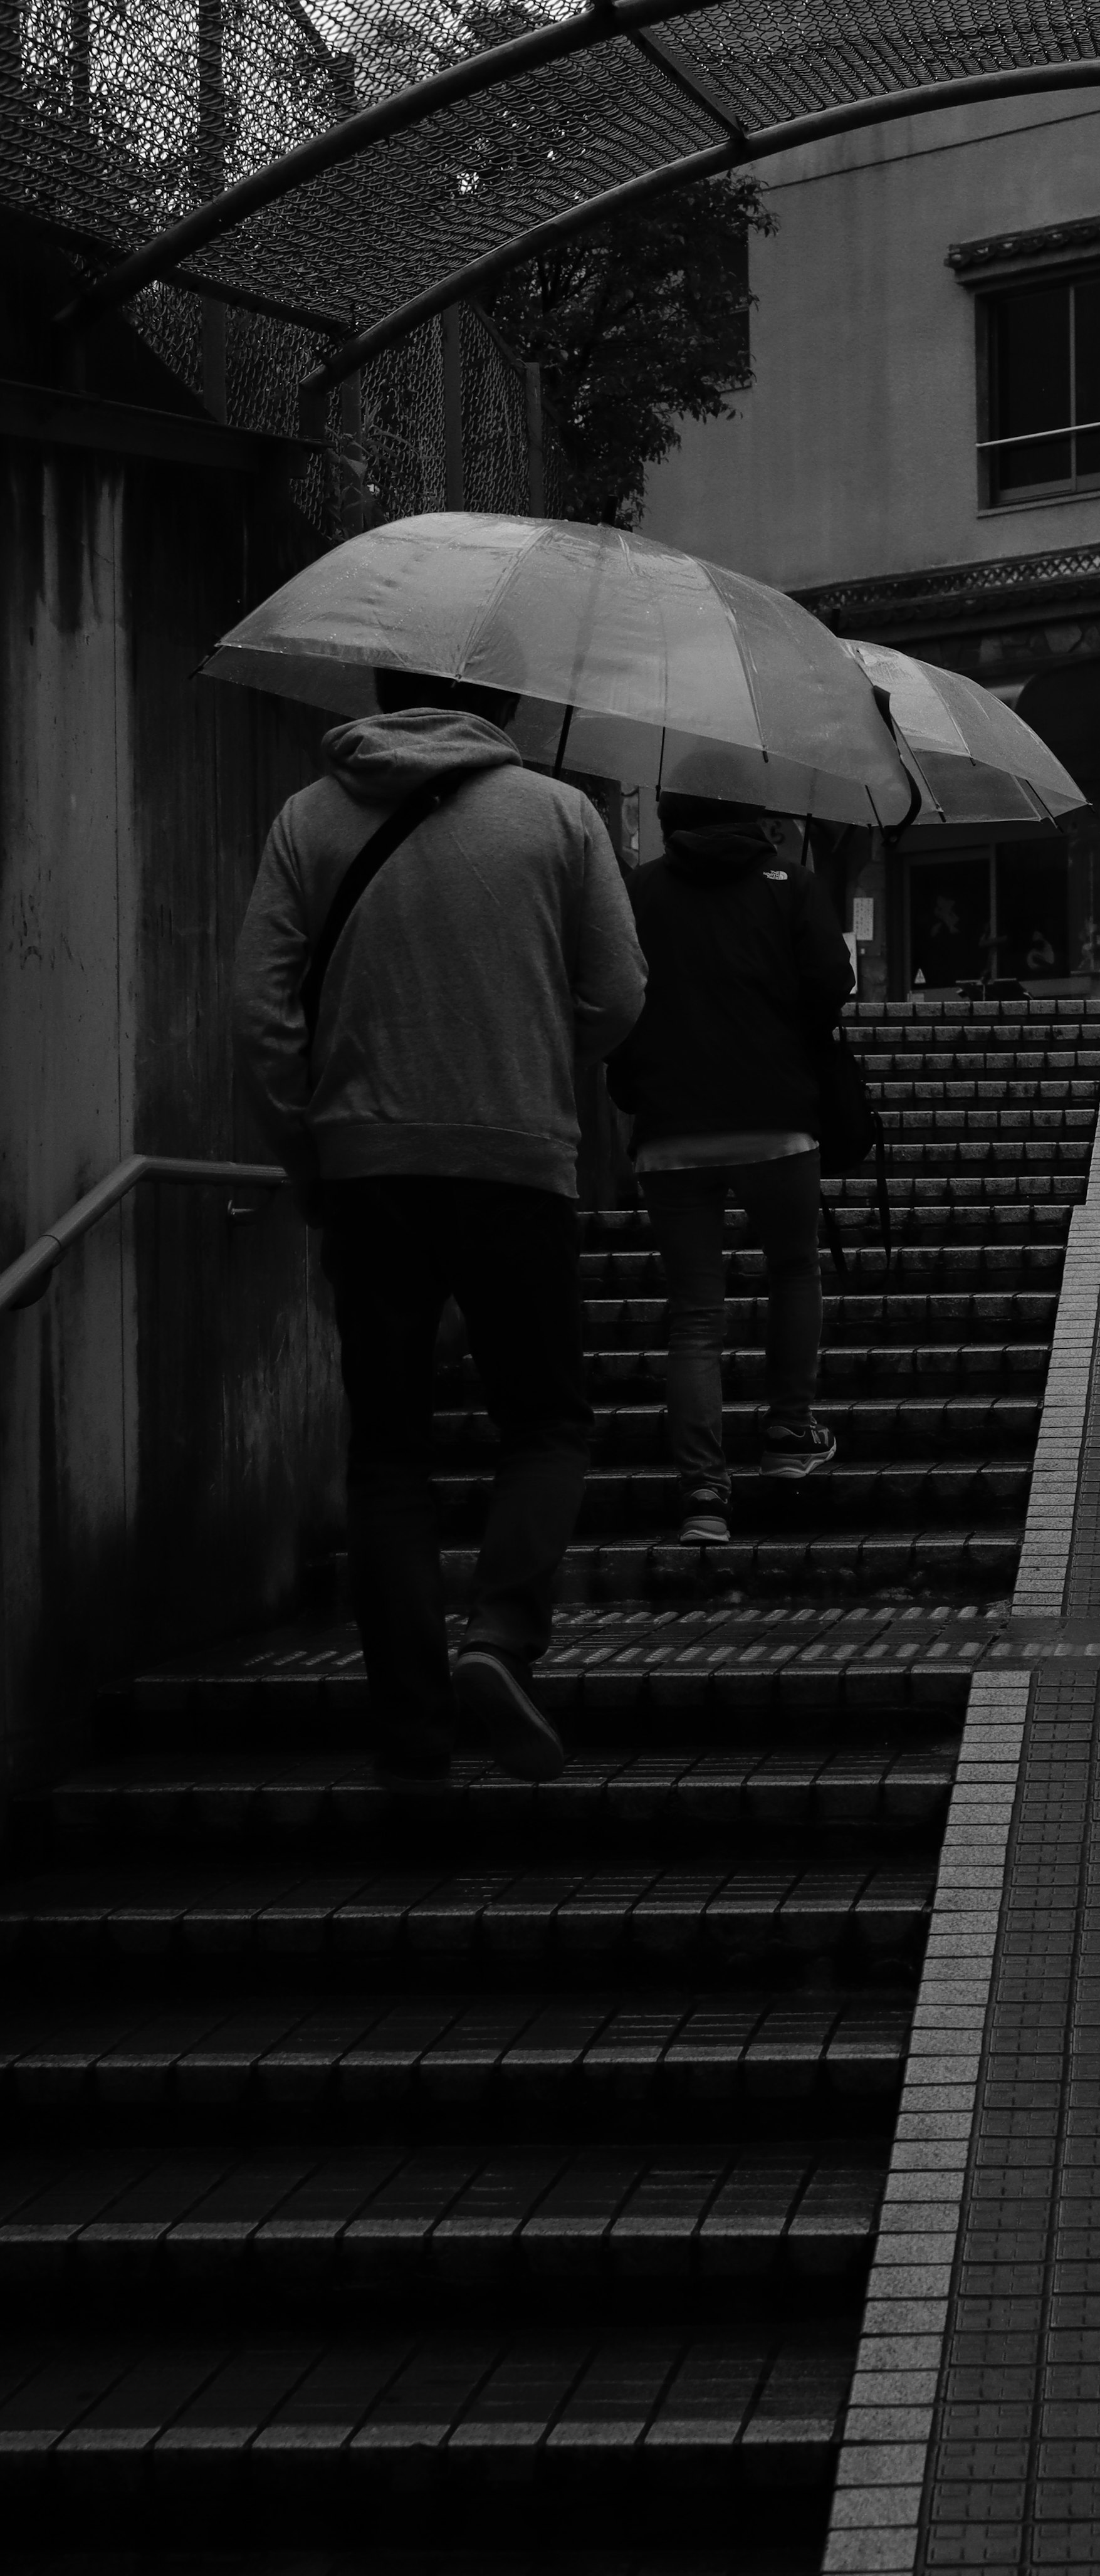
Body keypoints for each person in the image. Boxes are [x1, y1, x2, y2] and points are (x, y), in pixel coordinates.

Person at [235, 668, 647, 1792]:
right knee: (548, 1423)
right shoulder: (558, 814)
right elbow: (619, 993)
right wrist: (527, 1035)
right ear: (499, 703)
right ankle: (501, 1638)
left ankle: (413, 1745)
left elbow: (260, 1013)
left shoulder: (310, 816)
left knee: (389, 1460)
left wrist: (310, 1151)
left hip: (370, 1170)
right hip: (517, 1161)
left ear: (383, 687)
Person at [605, 797, 855, 1546]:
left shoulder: (639, 889)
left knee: (695, 1313)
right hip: (777, 1116)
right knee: (792, 1269)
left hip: (672, 1129)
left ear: (670, 814)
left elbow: (615, 989)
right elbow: (830, 983)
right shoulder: (791, 881)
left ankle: (704, 1494)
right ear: (749, 813)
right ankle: (788, 1433)